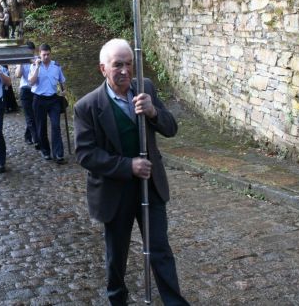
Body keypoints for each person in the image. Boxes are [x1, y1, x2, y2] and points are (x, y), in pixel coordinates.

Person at [74, 39, 188, 305]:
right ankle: (117, 300)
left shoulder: (145, 88)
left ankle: (175, 302)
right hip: (115, 192)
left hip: (151, 185)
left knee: (160, 250)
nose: (125, 70)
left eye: (129, 64)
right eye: (117, 65)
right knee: (117, 255)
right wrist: (128, 166)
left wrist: (153, 111)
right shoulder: (87, 106)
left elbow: (171, 128)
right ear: (103, 69)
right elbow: (85, 154)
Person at [29, 43, 66, 163]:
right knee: (41, 127)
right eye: (44, 55)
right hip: (39, 99)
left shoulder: (56, 66)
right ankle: (45, 151)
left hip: (53, 99)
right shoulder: (34, 66)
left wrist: (63, 90)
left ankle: (58, 154)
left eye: (48, 54)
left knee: (56, 125)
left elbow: (62, 80)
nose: (46, 57)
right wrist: (38, 67)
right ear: (39, 54)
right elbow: (31, 82)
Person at [15, 41, 37, 145]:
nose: (30, 55)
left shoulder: (37, 59)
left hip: (36, 90)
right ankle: (36, 138)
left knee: (35, 115)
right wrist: (20, 62)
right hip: (25, 90)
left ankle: (28, 135)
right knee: (29, 116)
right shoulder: (21, 60)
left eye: (31, 53)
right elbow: (18, 75)